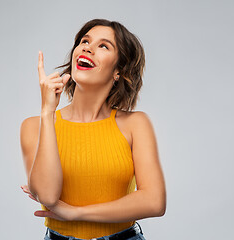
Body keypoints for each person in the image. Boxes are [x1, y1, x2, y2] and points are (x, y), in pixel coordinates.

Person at [20, 18, 166, 240]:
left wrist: (77, 213)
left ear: (118, 70)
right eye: (84, 41)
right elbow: (49, 196)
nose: (87, 47)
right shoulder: (34, 126)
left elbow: (154, 202)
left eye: (103, 46)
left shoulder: (136, 124)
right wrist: (48, 112)